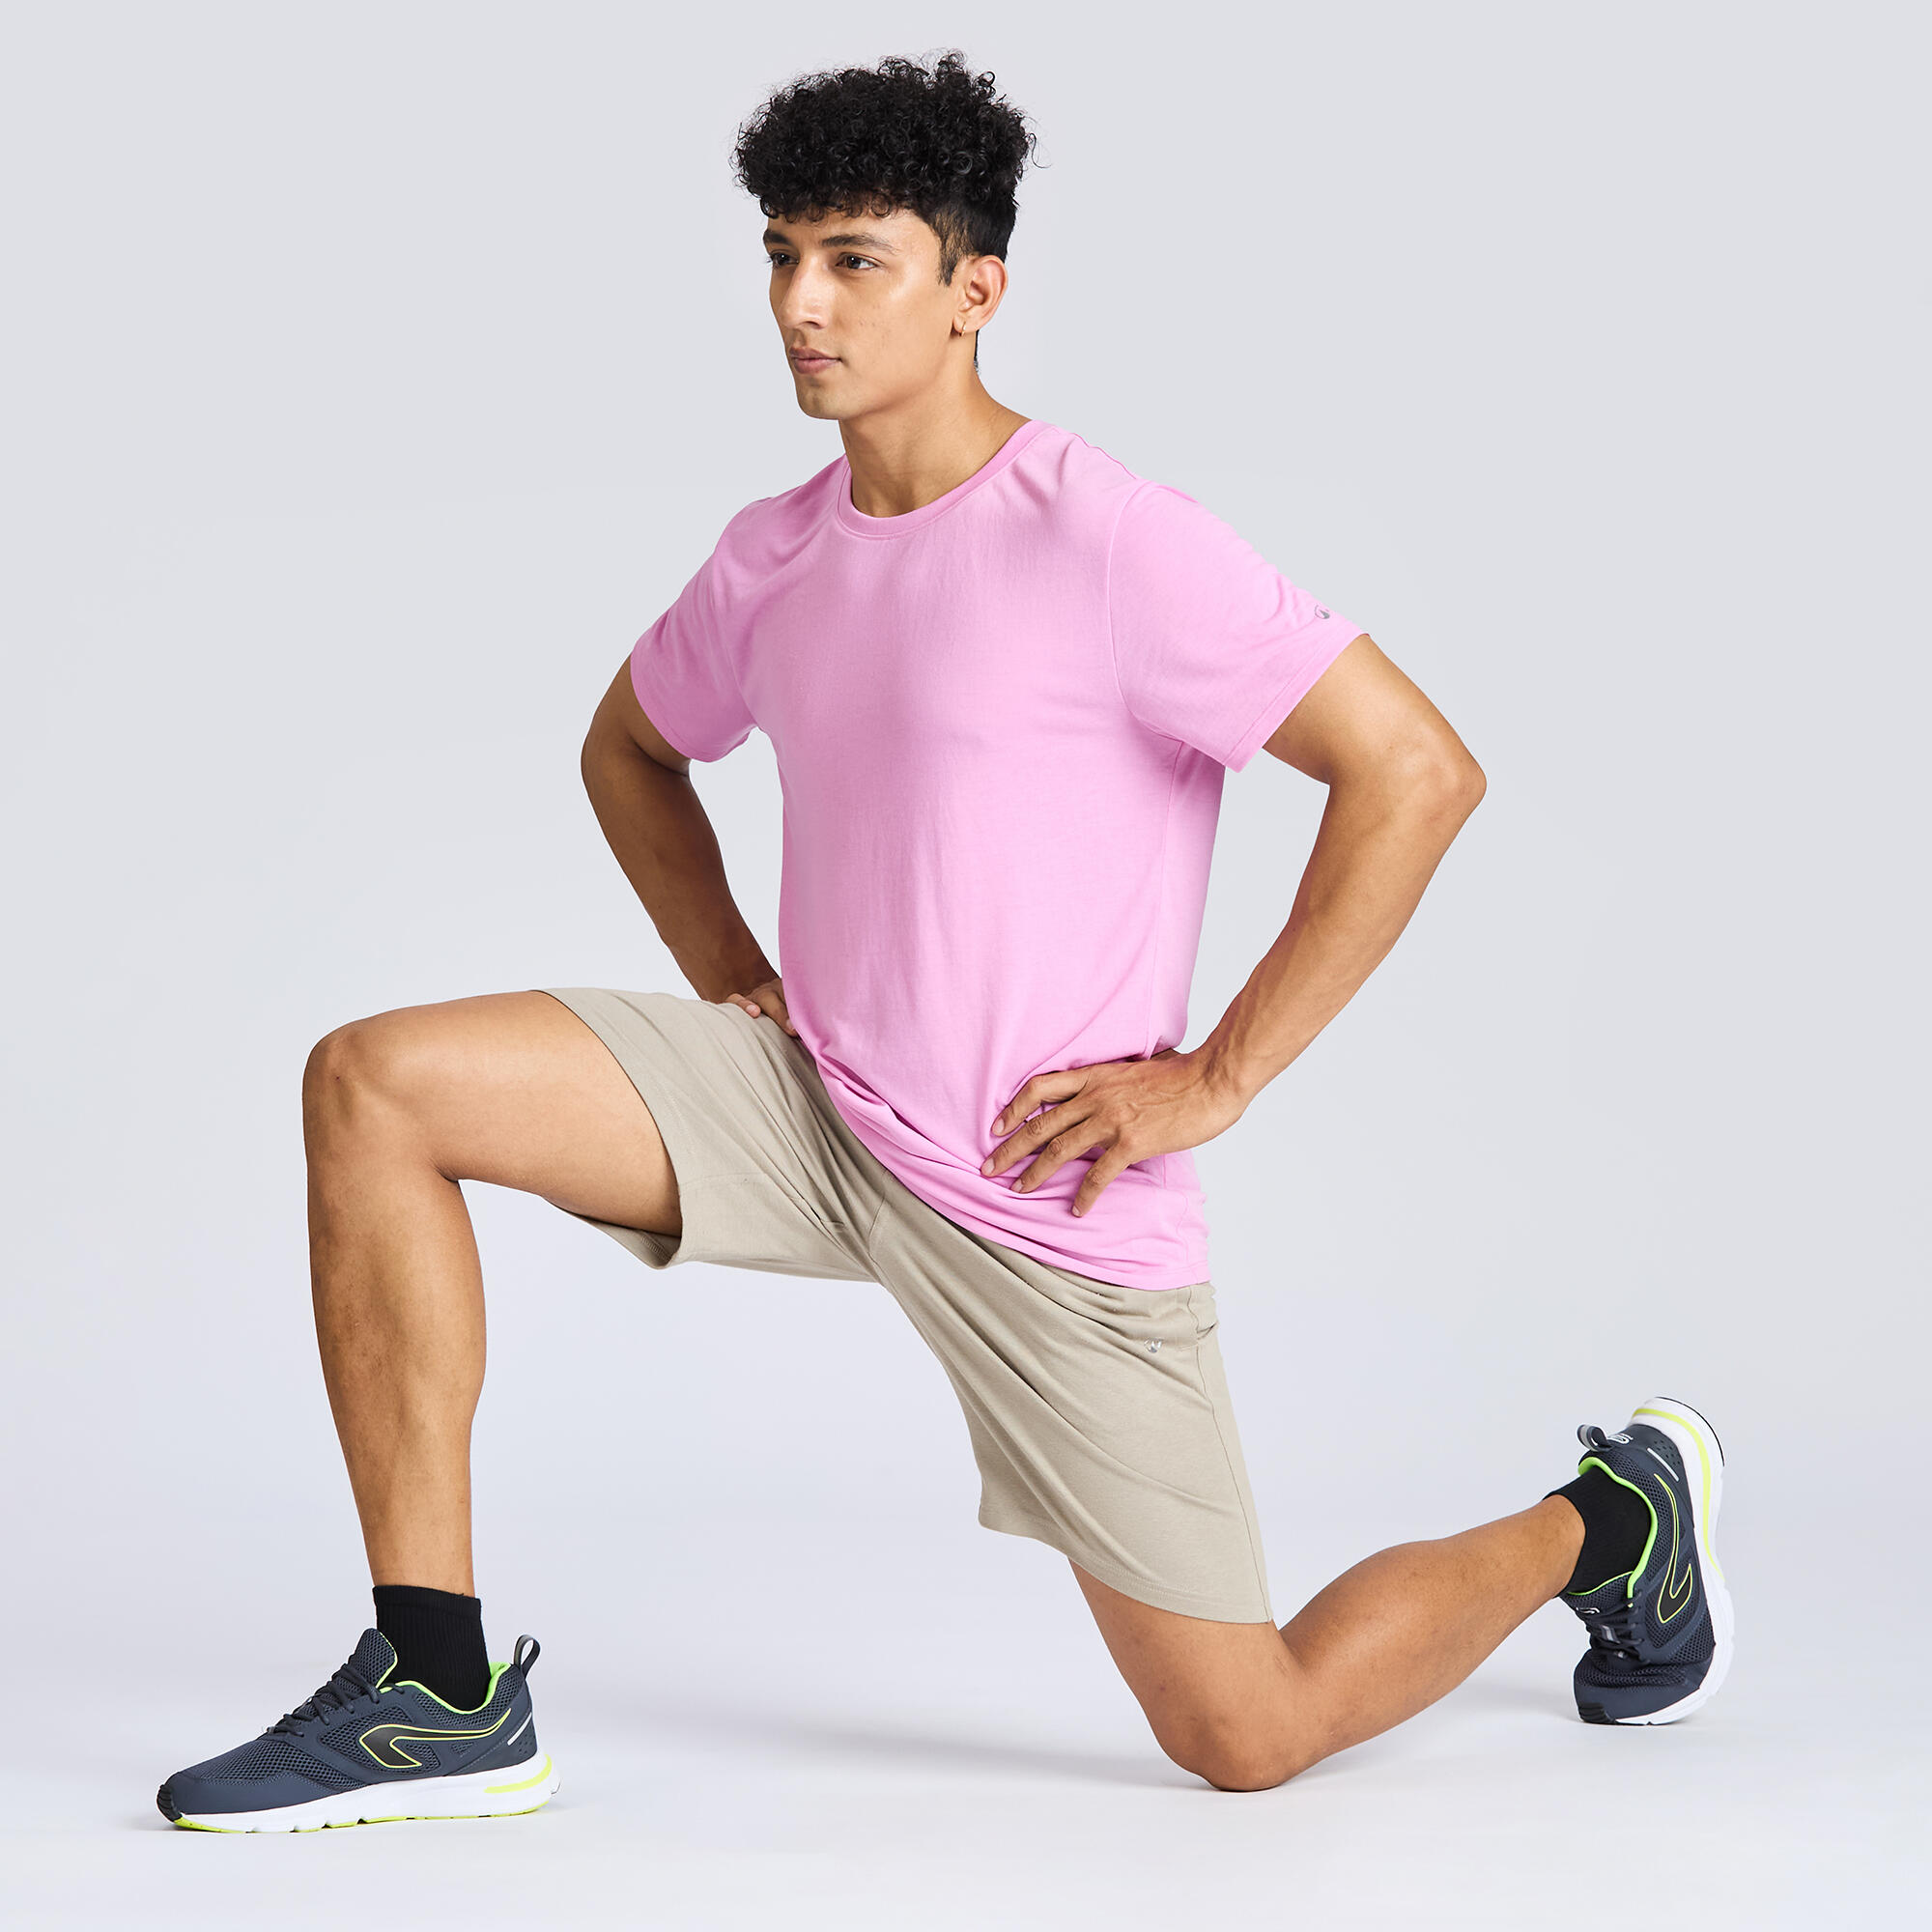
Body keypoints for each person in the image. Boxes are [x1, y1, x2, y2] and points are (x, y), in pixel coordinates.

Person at [156, 50, 1732, 1833]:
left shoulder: (1115, 543)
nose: (801, 305)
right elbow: (629, 749)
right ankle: (437, 1688)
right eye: (781, 256)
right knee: (375, 1083)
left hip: (1040, 1183)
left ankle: (1612, 1520)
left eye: (855, 261)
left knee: (1248, 1729)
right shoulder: (774, 555)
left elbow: (1417, 772)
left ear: (976, 289)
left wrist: (1215, 1078)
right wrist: (729, 976)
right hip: (812, 1104)